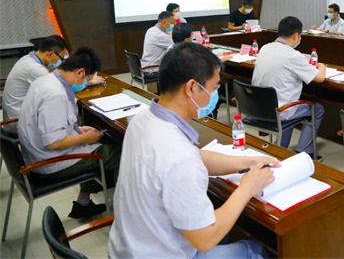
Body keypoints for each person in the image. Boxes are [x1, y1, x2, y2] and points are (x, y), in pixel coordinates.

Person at [108, 43, 277, 258]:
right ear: (191, 88)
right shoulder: (180, 157)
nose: (213, 96)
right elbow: (205, 239)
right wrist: (246, 189)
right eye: (213, 89)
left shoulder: (142, 120)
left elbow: (192, 157)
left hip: (127, 248)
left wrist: (246, 162)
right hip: (164, 253)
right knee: (257, 250)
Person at [17, 47, 120, 219]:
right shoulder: (55, 94)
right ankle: (125, 210)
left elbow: (53, 126)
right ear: (80, 72)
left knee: (101, 145)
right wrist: (84, 137)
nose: (87, 83)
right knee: (121, 152)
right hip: (49, 162)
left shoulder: (46, 81)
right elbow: (54, 142)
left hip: (38, 154)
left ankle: (83, 203)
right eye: (88, 79)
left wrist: (79, 131)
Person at [252, 16, 326, 158]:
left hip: (258, 107)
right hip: (279, 110)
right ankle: (305, 151)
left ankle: (281, 149)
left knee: (288, 102)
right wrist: (321, 66)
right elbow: (320, 78)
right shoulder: (293, 55)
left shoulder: (265, 48)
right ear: (295, 36)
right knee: (317, 109)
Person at [3, 35, 70, 132]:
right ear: (51, 54)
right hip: (18, 122)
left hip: (14, 116)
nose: (61, 61)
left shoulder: (27, 59)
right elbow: (59, 89)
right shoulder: (34, 69)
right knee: (69, 117)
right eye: (61, 58)